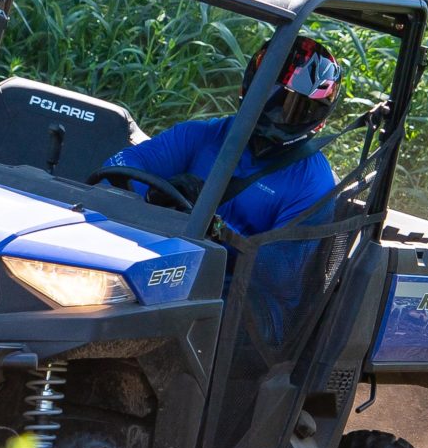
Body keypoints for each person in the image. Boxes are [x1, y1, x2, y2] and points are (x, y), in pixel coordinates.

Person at [102, 36, 343, 346]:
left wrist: (214, 226)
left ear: (314, 117)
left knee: (160, 315)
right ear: (250, 86)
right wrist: (153, 199)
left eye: (291, 106)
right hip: (173, 274)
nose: (274, 112)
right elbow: (117, 168)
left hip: (252, 310)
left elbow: (278, 277)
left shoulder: (314, 184)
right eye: (267, 95)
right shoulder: (200, 136)